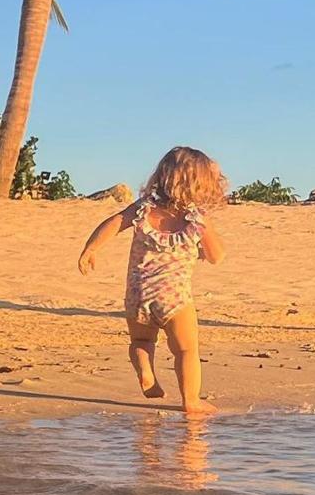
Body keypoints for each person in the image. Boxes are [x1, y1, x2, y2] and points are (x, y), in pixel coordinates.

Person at [78, 146, 227, 414]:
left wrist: (91, 249)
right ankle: (190, 400)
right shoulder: (197, 220)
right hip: (174, 299)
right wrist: (202, 250)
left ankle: (146, 373)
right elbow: (217, 256)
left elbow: (112, 223)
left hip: (138, 296)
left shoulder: (141, 210)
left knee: (141, 343)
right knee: (186, 351)